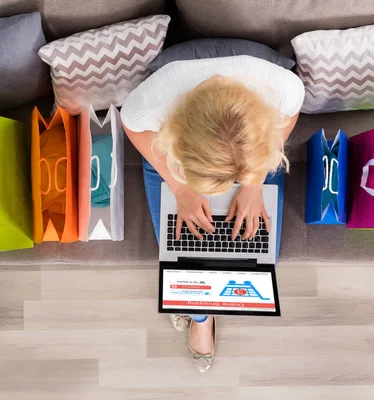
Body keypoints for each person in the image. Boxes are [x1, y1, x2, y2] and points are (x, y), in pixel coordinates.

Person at [121, 55, 305, 372]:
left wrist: (253, 183)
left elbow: (289, 114)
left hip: (250, 159)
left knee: (259, 260)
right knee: (182, 255)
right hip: (180, 163)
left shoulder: (283, 88)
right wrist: (182, 189)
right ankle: (200, 317)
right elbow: (133, 127)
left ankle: (199, 310)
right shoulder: (150, 104)